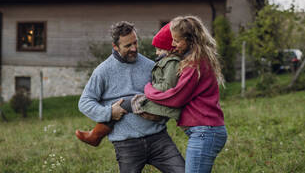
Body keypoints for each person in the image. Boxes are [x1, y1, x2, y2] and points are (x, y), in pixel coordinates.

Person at [77, 21, 185, 173]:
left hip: (158, 138)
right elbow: (84, 102)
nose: (134, 48)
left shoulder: (149, 65)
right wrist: (109, 112)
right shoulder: (103, 71)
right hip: (126, 144)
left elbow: (164, 94)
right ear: (115, 46)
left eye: (135, 43)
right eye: (128, 46)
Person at [144, 16, 228, 173]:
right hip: (207, 130)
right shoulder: (199, 58)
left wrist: (149, 90)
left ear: (191, 40)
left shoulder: (194, 64)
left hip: (205, 132)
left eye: (177, 40)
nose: (173, 45)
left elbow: (175, 98)